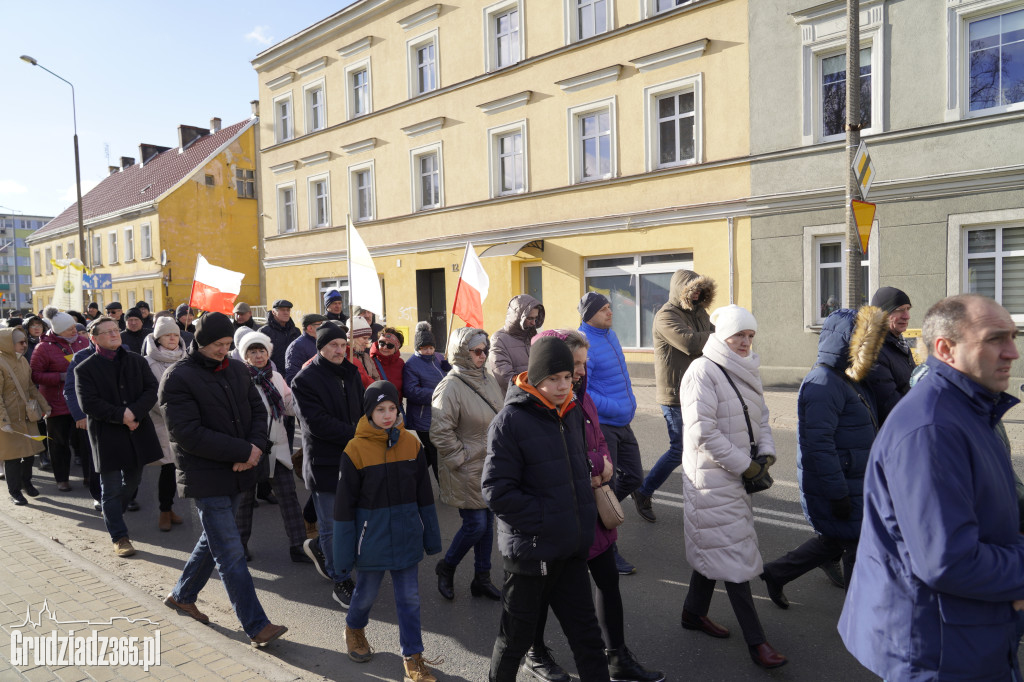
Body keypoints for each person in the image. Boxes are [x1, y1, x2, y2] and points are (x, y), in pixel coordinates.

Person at [839, 294, 1024, 681]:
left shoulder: (970, 409)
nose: (1013, 353)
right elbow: (949, 561)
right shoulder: (933, 429)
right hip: (937, 648)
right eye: (995, 339)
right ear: (946, 348)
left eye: (1013, 336)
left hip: (963, 631)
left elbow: (990, 503)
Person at [530, 329, 664, 682]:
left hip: (595, 510)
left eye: (582, 365)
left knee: (608, 582)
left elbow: (598, 439)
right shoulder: (541, 408)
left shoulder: (583, 398)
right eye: (573, 364)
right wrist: (593, 466)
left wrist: (603, 462)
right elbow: (558, 455)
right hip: (564, 516)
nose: (578, 372)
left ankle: (617, 656)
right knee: (544, 592)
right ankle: (535, 651)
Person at [483, 336, 609, 682]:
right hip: (531, 554)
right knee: (514, 642)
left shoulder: (569, 412)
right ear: (536, 378)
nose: (563, 385)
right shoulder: (510, 421)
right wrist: (547, 520)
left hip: (569, 551)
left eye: (568, 378)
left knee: (588, 639)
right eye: (554, 379)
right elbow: (496, 491)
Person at [159, 312, 288, 647]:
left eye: (228, 344)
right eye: (218, 344)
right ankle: (256, 626)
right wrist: (242, 451)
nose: (224, 350)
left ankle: (182, 594)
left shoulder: (236, 369)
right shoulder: (177, 378)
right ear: (201, 342)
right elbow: (187, 433)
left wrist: (256, 448)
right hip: (206, 476)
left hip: (240, 470)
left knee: (214, 538)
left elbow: (258, 412)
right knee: (230, 551)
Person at [675, 305, 785, 669]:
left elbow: (761, 416)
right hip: (711, 478)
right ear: (722, 335)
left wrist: (765, 454)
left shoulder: (745, 367)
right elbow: (702, 432)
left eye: (751, 336)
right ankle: (758, 644)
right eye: (739, 335)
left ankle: (693, 613)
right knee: (734, 556)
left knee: (716, 545)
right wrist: (746, 465)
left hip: (736, 476)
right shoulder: (701, 371)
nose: (745, 342)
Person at [761, 306, 884, 605]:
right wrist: (838, 493)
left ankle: (777, 573)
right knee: (855, 545)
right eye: (865, 340)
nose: (871, 348)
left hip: (856, 481)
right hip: (840, 485)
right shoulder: (822, 383)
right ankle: (860, 616)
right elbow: (818, 445)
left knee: (835, 542)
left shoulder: (849, 377)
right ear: (846, 341)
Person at [335, 381, 443, 681]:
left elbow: (424, 495)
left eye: (392, 409)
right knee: (366, 593)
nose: (386, 415)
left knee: (410, 598)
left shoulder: (412, 443)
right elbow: (344, 509)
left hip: (407, 536)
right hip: (372, 540)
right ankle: (354, 628)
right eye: (379, 409)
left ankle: (413, 656)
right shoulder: (354, 449)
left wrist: (431, 536)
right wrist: (342, 557)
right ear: (368, 412)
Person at [75, 317, 163, 557]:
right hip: (107, 435)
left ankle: (111, 511)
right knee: (111, 488)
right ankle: (120, 537)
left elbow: (151, 390)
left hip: (137, 431)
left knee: (132, 482)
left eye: (116, 330)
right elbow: (89, 402)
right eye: (107, 332)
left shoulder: (136, 360)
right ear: (94, 339)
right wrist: (121, 415)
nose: (115, 334)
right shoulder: (84, 368)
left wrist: (134, 412)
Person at [291, 322, 363, 608]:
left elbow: (362, 408)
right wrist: (356, 433)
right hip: (324, 462)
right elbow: (315, 424)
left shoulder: (352, 371)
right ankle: (340, 579)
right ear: (320, 347)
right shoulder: (304, 379)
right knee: (333, 526)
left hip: (355, 458)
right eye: (333, 345)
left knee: (353, 520)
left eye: (342, 345)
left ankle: (320, 549)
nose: (339, 350)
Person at [430, 327, 504, 602]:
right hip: (465, 467)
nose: (483, 355)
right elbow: (440, 431)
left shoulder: (488, 379)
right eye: (477, 351)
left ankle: (481, 578)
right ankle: (446, 567)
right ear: (462, 353)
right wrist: (460, 458)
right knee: (475, 525)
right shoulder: (449, 386)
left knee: (487, 521)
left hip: (489, 464)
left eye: (485, 350)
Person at [635, 270, 715, 522]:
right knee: (680, 448)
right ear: (680, 289)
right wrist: (721, 337)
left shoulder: (700, 313)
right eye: (691, 289)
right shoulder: (666, 315)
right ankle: (644, 491)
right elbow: (691, 343)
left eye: (700, 290)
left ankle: (704, 499)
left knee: (703, 447)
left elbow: (715, 336)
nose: (696, 294)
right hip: (674, 394)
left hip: (699, 390)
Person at [577, 293, 642, 576]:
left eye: (609, 307)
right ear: (588, 313)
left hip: (623, 421)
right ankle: (607, 549)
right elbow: (583, 389)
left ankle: (599, 511)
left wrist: (630, 403)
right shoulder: (583, 342)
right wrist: (614, 406)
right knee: (607, 486)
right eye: (603, 309)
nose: (609, 312)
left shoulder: (611, 336)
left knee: (636, 476)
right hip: (604, 423)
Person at [233, 331, 310, 563]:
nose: (258, 356)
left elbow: (287, 405)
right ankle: (239, 545)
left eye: (261, 351)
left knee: (288, 497)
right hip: (251, 447)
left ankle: (298, 545)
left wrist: (301, 396)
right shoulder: (239, 379)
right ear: (244, 356)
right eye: (253, 352)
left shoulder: (275, 376)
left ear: (268, 352)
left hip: (278, 446)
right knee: (245, 501)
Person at [31, 308, 89, 491]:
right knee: (59, 443)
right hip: (56, 403)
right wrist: (61, 377)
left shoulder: (84, 341)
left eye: (74, 327)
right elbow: (35, 375)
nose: (74, 331)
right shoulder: (43, 348)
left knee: (86, 442)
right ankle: (62, 479)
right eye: (69, 329)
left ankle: (90, 477)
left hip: (82, 401)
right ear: (58, 331)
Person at [144, 316, 186, 531]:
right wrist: (171, 413)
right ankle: (164, 510)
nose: (173, 338)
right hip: (162, 421)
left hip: (187, 421)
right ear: (158, 338)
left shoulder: (186, 358)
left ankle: (171, 509)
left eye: (176, 335)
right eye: (168, 335)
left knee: (184, 467)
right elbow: (150, 394)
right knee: (169, 468)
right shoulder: (148, 362)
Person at [0, 326, 50, 505]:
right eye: (20, 342)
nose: (24, 345)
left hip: (27, 416)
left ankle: (26, 482)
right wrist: (3, 420)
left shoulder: (22, 361)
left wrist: (45, 406)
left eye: (25, 341)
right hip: (10, 418)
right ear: (8, 344)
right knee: (12, 457)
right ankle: (14, 491)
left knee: (29, 454)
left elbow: (30, 387)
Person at [403, 321, 451, 480]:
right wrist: (437, 394)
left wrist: (449, 369)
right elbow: (411, 391)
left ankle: (411, 474)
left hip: (440, 414)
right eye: (424, 348)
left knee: (432, 452)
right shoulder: (411, 365)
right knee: (435, 452)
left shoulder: (438, 357)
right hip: (423, 417)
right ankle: (443, 487)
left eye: (430, 348)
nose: (428, 351)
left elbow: (448, 379)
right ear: (418, 348)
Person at [864, 286, 915, 423]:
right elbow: (890, 406)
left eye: (908, 309)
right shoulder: (875, 351)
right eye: (900, 310)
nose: (906, 316)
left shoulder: (899, 344)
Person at [487, 294, 543, 395]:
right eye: (530, 318)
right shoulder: (499, 339)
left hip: (537, 400)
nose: (534, 323)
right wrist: (534, 389)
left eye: (536, 318)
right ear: (517, 317)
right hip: (517, 401)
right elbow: (505, 377)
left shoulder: (534, 337)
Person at [284, 313, 326, 385]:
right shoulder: (297, 346)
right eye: (321, 324)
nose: (324, 327)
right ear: (310, 328)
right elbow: (292, 377)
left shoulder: (321, 342)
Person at [370, 327, 406, 401]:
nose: (385, 347)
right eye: (382, 343)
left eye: (390, 346)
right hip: (375, 408)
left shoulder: (401, 364)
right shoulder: (369, 361)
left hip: (394, 408)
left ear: (396, 348)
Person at [347, 316, 383, 388]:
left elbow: (376, 378)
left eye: (368, 338)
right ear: (353, 338)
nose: (367, 342)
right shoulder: (345, 356)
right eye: (364, 338)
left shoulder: (366, 356)